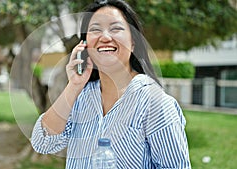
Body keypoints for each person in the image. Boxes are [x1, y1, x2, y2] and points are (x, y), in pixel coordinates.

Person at [31, 0, 191, 168]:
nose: (105, 37)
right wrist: (74, 85)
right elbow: (43, 142)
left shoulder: (155, 103)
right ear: (84, 45)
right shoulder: (81, 96)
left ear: (133, 42)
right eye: (95, 29)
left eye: (116, 28)